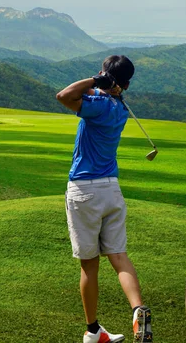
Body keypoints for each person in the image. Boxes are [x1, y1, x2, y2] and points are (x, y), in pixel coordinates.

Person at [55, 55, 152, 343]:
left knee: (89, 264)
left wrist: (97, 81)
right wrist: (108, 86)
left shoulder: (98, 105)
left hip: (84, 190)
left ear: (107, 77)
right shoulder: (120, 109)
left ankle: (93, 330)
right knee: (119, 256)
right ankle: (137, 311)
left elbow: (64, 96)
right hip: (112, 190)